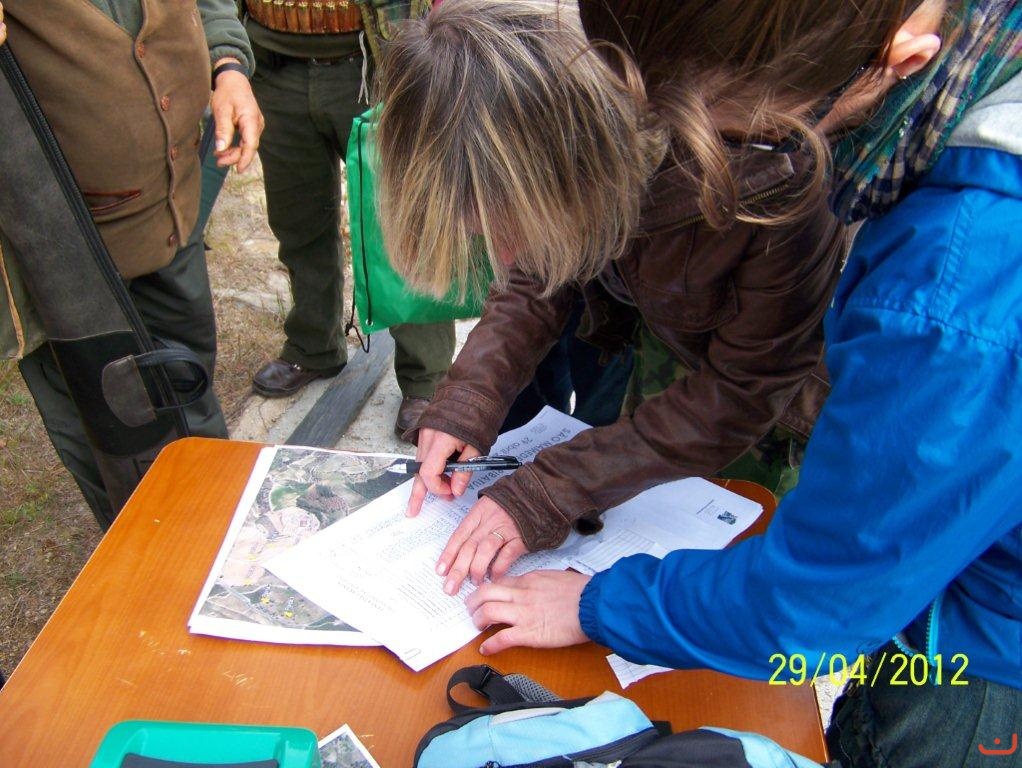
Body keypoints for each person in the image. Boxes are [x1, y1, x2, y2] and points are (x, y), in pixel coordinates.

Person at [463, 1, 1022, 766]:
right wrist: (469, 398)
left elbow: (818, 603)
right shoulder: (945, 122)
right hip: (943, 588)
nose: (710, 164)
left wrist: (599, 604)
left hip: (978, 660)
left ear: (901, 60)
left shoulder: (950, 294)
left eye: (741, 136)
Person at [375, 0, 844, 592]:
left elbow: (745, 387)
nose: (508, 256)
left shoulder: (770, 183)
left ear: (579, 166)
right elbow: (539, 276)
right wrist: (468, 400)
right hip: (673, 345)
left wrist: (554, 487)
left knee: (730, 574)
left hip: (786, 411)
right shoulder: (570, 150)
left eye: (509, 227)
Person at [0, 0, 262, 529]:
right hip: (61, 263)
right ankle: (155, 552)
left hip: (172, 207)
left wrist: (227, 64)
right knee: (118, 443)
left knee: (191, 398)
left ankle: (219, 541)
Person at [243, 0, 456, 438]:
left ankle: (427, 379)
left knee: (405, 222)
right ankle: (314, 345)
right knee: (298, 219)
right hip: (272, 61)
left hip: (376, 59)